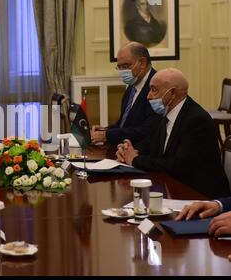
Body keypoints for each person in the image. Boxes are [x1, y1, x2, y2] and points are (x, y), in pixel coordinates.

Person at [116, 68, 230, 199]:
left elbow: (177, 166)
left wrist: (135, 160)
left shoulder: (196, 120)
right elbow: (151, 144)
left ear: (173, 93)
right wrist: (130, 150)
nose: (148, 96)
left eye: (154, 89)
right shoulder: (166, 113)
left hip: (200, 195)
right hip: (175, 187)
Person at [91, 42, 159, 146]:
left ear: (142, 63)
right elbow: (125, 123)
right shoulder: (132, 86)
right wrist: (105, 130)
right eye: (120, 67)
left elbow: (147, 130)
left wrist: (107, 135)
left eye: (126, 66)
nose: (123, 71)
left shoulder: (157, 87)